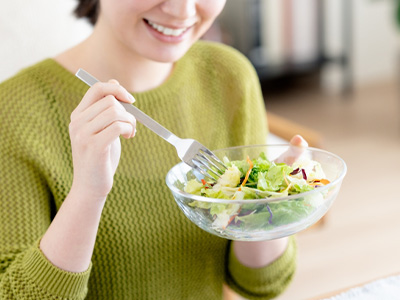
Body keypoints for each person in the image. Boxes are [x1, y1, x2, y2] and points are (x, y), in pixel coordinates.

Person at [0, 1, 304, 299]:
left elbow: (262, 283)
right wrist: (87, 194)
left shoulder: (229, 75)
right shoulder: (15, 110)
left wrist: (266, 208)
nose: (183, 11)